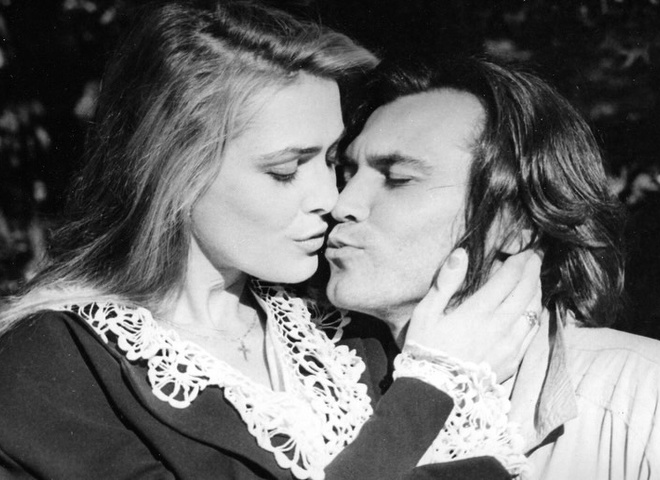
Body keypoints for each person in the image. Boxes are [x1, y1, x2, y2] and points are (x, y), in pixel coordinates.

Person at [0, 2, 542, 479]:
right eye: (285, 171)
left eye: (330, 161)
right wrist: (432, 388)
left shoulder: (340, 329)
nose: (330, 198)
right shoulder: (49, 363)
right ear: (175, 173)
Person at [326, 55, 660, 479]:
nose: (342, 204)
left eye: (398, 178)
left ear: (518, 224)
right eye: (346, 173)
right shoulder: (300, 397)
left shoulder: (643, 398)